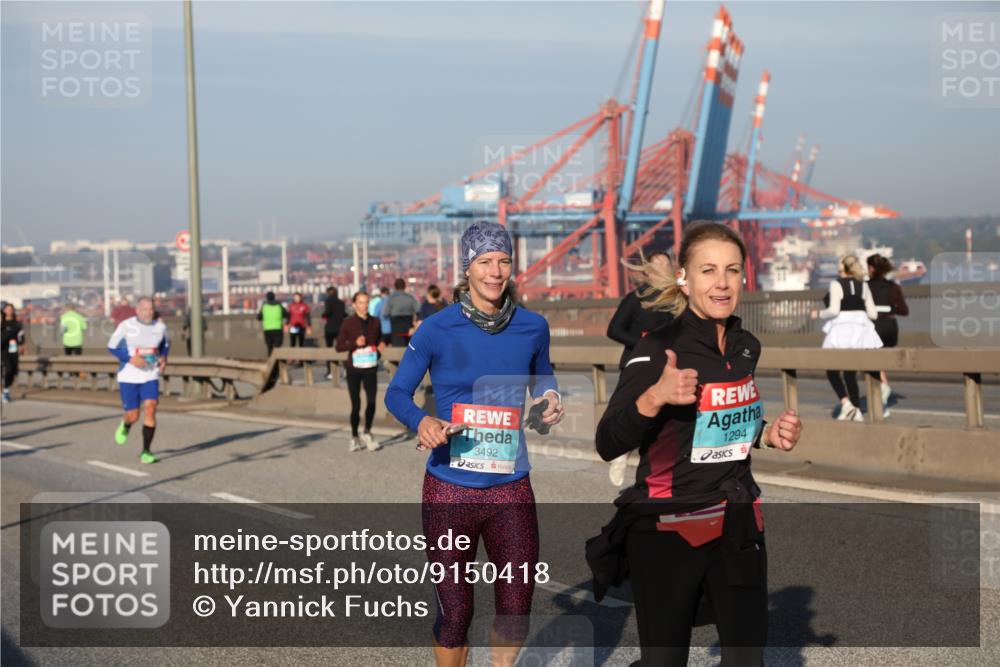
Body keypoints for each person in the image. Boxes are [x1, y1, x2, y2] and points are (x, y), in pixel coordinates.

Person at [588, 222, 803, 667]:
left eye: (731, 270)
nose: (721, 282)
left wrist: (765, 434)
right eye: (708, 270)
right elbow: (608, 442)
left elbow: (722, 424)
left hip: (738, 520)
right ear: (685, 278)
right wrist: (655, 397)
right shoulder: (657, 348)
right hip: (669, 528)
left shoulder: (746, 346)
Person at [385, 220, 565, 667]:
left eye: (503, 261)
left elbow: (543, 374)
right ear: (467, 268)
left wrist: (550, 397)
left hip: (511, 487)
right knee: (456, 613)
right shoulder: (434, 329)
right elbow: (396, 393)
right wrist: (422, 420)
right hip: (449, 488)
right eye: (484, 261)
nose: (495, 271)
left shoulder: (532, 326)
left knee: (516, 607)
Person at [605, 249, 676, 486]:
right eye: (657, 265)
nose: (662, 270)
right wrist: (645, 345)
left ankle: (656, 478)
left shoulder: (675, 299)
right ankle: (621, 453)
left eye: (666, 265)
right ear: (646, 271)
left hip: (664, 368)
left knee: (662, 422)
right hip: (636, 366)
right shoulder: (636, 298)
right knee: (632, 415)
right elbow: (613, 330)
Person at [811, 254, 882, 421]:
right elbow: (873, 313)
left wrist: (818, 313)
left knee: (832, 370)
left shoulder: (836, 284)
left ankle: (846, 403)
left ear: (843, 267)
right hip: (860, 328)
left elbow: (834, 310)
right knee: (850, 373)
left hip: (841, 329)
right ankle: (856, 409)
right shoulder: (863, 285)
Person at [107, 297, 169, 464]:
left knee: (151, 407)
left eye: (151, 309)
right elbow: (112, 346)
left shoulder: (160, 327)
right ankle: (126, 425)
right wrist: (130, 359)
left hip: (150, 373)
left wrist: (163, 358)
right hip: (129, 375)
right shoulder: (126, 325)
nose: (148, 312)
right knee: (133, 415)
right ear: (137, 310)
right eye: (144, 309)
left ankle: (146, 451)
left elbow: (165, 345)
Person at [336, 291, 384, 452]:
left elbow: (379, 340)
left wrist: (381, 345)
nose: (364, 306)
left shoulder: (375, 321)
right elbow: (339, 346)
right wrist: (354, 343)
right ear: (354, 304)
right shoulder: (348, 323)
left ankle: (367, 432)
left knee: (371, 402)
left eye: (366, 302)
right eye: (361, 303)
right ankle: (354, 437)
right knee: (355, 405)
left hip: (370, 367)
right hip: (354, 369)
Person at [867, 254, 909, 416]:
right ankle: (882, 403)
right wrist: (890, 309)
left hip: (874, 327)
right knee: (880, 363)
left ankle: (883, 391)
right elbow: (904, 311)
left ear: (871, 268)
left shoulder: (866, 287)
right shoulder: (894, 287)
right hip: (891, 328)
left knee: (871, 363)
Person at [385, 278, 420, 347]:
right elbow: (418, 310)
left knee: (396, 352)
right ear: (404, 286)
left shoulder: (391, 299)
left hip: (395, 330)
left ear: (395, 287)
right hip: (408, 329)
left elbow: (385, 313)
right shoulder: (410, 298)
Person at [321, 287, 347, 380]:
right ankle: (346, 370)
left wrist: (323, 315)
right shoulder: (341, 302)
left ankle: (330, 372)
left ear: (328, 293)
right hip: (340, 328)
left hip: (330, 329)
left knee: (329, 349)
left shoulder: (328, 301)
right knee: (342, 349)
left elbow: (328, 312)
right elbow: (344, 314)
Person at [1, 303, 25, 403]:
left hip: (13, 350)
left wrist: (22, 345)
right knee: (4, 370)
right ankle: (5, 391)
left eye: (11, 309)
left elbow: (21, 336)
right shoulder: (1, 322)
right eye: (7, 309)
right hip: (2, 350)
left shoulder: (17, 324)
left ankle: (6, 388)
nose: (9, 311)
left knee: (12, 370)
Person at [256, 291, 288, 357]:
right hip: (278, 329)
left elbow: (259, 317)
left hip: (267, 330)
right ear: (274, 297)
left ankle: (271, 363)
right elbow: (286, 314)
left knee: (270, 347)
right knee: (278, 347)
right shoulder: (279, 306)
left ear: (267, 298)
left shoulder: (264, 307)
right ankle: (277, 362)